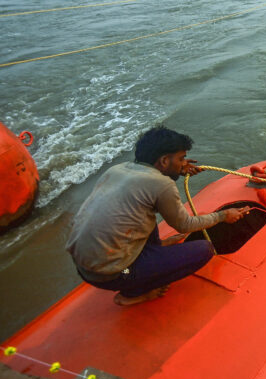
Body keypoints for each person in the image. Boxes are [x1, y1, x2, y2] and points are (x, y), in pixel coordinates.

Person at [66, 125, 250, 306]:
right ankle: (133, 293)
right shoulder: (162, 185)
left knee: (142, 210)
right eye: (181, 159)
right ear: (164, 161)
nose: (184, 163)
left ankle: (154, 249)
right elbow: (184, 225)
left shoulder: (117, 170)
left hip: (83, 269)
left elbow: (149, 189)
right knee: (204, 250)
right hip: (115, 275)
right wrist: (222, 216)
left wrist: (177, 169)